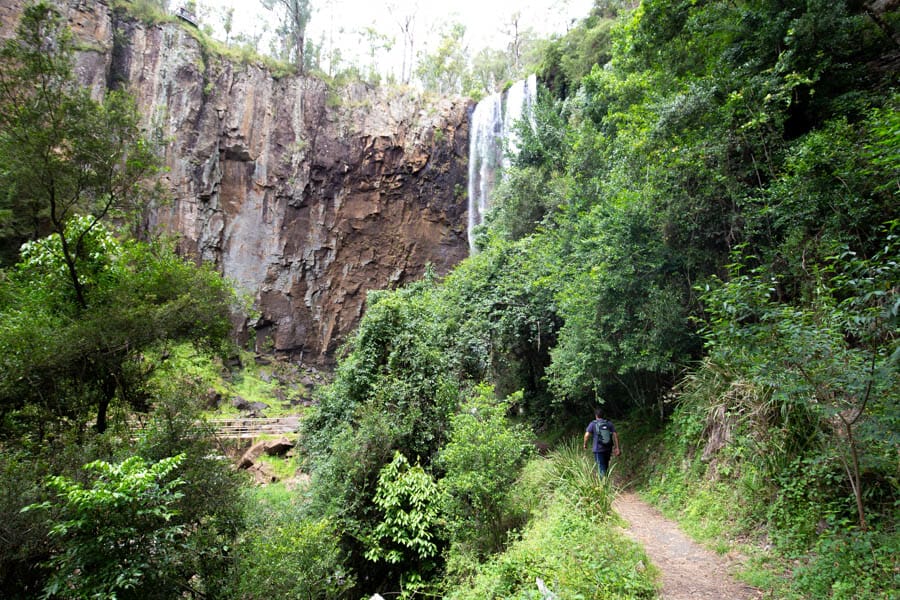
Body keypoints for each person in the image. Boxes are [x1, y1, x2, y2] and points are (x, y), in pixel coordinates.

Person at [583, 408, 620, 477]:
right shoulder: (609, 423)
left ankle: (603, 484)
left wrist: (585, 444)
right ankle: (606, 480)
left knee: (601, 467)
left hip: (598, 449)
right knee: (605, 465)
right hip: (608, 448)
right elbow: (615, 435)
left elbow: (586, 435)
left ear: (596, 415)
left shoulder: (593, 424)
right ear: (603, 415)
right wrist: (617, 447)